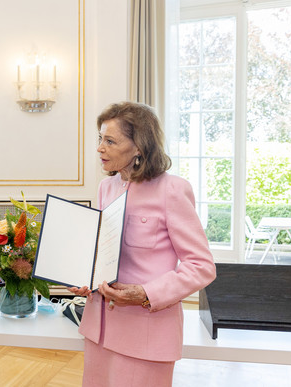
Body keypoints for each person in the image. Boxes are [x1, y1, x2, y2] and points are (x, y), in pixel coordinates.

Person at [69, 102, 216, 386]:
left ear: (139, 147)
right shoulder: (106, 188)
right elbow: (104, 254)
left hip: (146, 335)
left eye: (110, 141)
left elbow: (202, 266)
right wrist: (83, 277)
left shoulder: (172, 189)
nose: (100, 148)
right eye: (100, 139)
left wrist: (146, 293)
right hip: (98, 331)